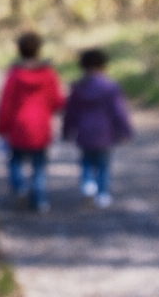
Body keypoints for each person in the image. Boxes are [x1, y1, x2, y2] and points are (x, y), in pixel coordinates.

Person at [0, 31, 65, 212]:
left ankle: (19, 187)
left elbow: (6, 103)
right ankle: (40, 200)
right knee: (39, 165)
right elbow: (57, 101)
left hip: (18, 125)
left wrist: (2, 127)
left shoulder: (15, 75)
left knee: (15, 160)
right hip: (41, 126)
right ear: (39, 49)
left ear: (19, 50)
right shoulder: (49, 74)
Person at [62, 48, 133, 209]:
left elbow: (70, 112)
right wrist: (125, 130)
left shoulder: (78, 88)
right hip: (105, 133)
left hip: (84, 132)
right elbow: (119, 111)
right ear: (104, 65)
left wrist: (67, 131)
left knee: (86, 161)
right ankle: (103, 194)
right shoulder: (110, 87)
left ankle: (88, 186)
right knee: (103, 165)